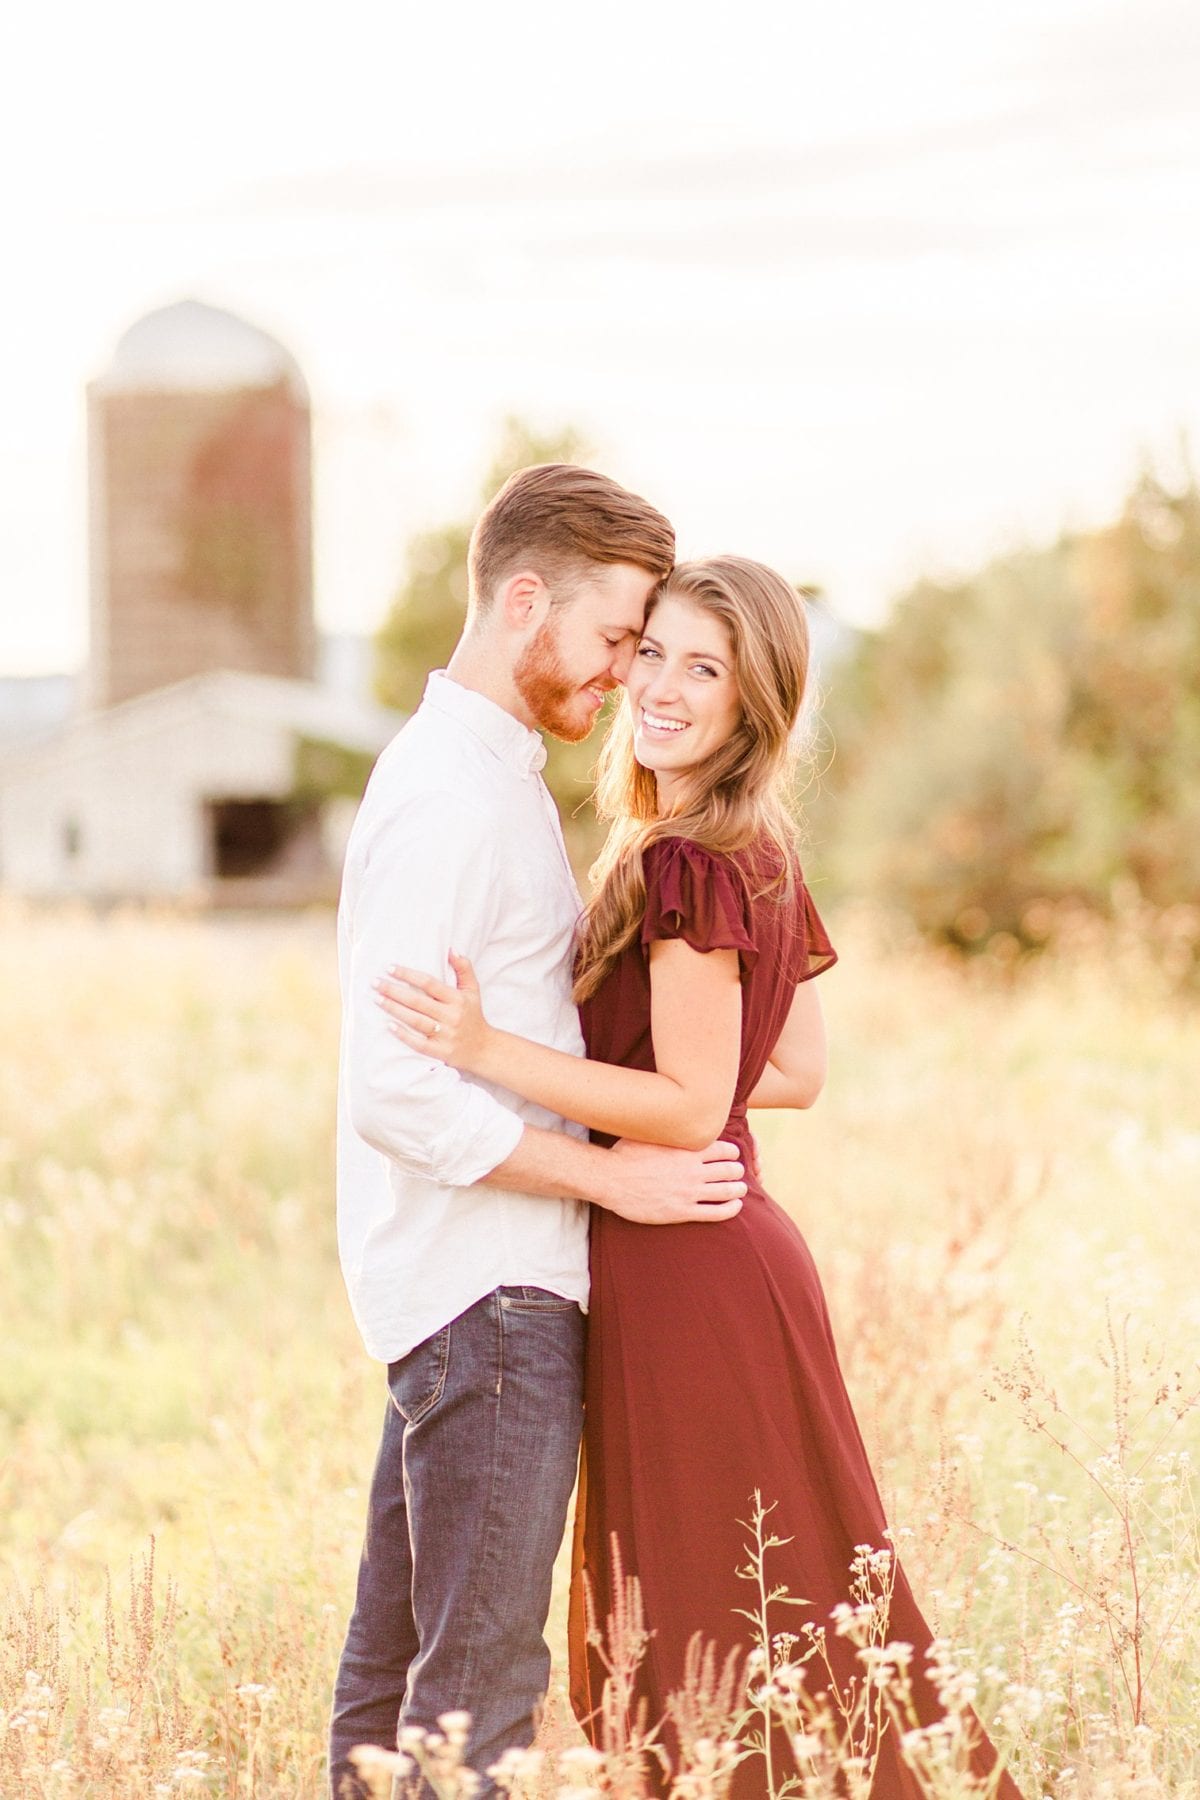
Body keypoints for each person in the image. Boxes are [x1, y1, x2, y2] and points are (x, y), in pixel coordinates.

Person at [376, 556, 1023, 1799]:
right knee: (795, 1595)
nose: (659, 687)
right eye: (653, 652)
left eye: (703, 668)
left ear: (752, 702)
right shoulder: (749, 846)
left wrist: (487, 1049)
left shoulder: (682, 865)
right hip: (734, 1248)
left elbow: (689, 1102)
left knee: (708, 1627)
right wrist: (682, 1093)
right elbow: (787, 1068)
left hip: (684, 1264)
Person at [328, 467, 751, 1800]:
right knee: (472, 1712)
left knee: (399, 1706)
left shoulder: (492, 779)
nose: (628, 675)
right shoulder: (453, 795)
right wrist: (610, 1180)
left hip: (467, 1295)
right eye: (620, 638)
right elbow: (395, 1090)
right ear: (527, 605)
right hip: (490, 1299)